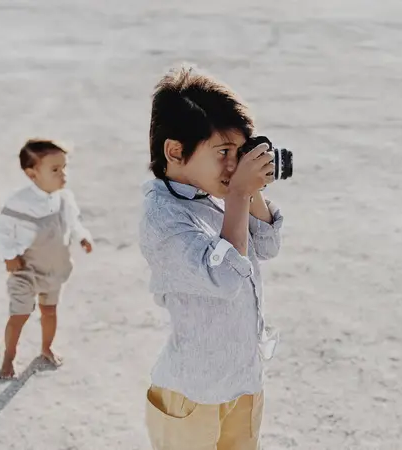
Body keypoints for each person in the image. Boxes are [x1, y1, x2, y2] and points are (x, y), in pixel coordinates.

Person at [139, 65, 284, 450]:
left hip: (243, 381)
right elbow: (223, 277)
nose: (233, 166)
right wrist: (237, 195)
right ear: (175, 151)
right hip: (192, 394)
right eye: (223, 152)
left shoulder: (213, 195)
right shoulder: (163, 219)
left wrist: (250, 191)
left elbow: (266, 246)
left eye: (240, 154)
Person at [0, 139, 93, 379]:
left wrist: (82, 237)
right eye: (55, 170)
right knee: (20, 315)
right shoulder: (20, 202)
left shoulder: (64, 198)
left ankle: (46, 347)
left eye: (64, 167)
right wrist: (9, 256)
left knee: (49, 310)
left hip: (55, 267)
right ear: (32, 173)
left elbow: (73, 222)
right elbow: (1, 231)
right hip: (26, 269)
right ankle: (9, 357)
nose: (63, 174)